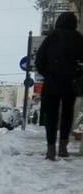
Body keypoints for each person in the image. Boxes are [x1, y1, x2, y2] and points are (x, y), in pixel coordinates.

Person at [34, 11, 83, 160]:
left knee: (51, 117)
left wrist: (47, 73)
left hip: (52, 83)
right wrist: (76, 72)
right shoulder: (78, 38)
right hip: (70, 83)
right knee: (67, 115)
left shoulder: (52, 37)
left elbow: (39, 59)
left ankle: (50, 149)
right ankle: (63, 147)